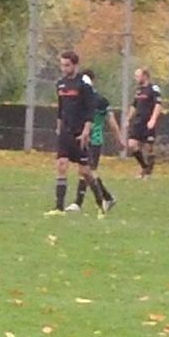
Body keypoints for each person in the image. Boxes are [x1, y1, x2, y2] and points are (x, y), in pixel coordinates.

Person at [45, 51, 105, 217]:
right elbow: (61, 108)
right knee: (61, 165)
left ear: (75, 65)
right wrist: (59, 127)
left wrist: (86, 131)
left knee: (85, 172)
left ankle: (101, 203)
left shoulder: (83, 84)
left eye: (67, 65)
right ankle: (59, 208)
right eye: (62, 65)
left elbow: (90, 110)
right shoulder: (61, 84)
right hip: (65, 132)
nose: (64, 68)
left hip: (79, 133)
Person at [66, 69, 122, 214]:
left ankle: (83, 202)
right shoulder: (100, 100)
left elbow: (111, 122)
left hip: (93, 140)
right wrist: (119, 139)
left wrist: (119, 139)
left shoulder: (91, 100)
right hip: (86, 138)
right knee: (85, 171)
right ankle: (106, 198)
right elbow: (112, 122)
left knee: (87, 171)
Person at [125, 67, 163, 178]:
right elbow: (134, 105)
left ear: (145, 76)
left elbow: (158, 105)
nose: (136, 78)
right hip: (138, 122)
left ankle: (148, 172)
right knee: (132, 144)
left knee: (148, 147)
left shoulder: (153, 88)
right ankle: (144, 166)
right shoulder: (139, 91)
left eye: (138, 76)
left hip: (148, 121)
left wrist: (153, 119)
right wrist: (128, 118)